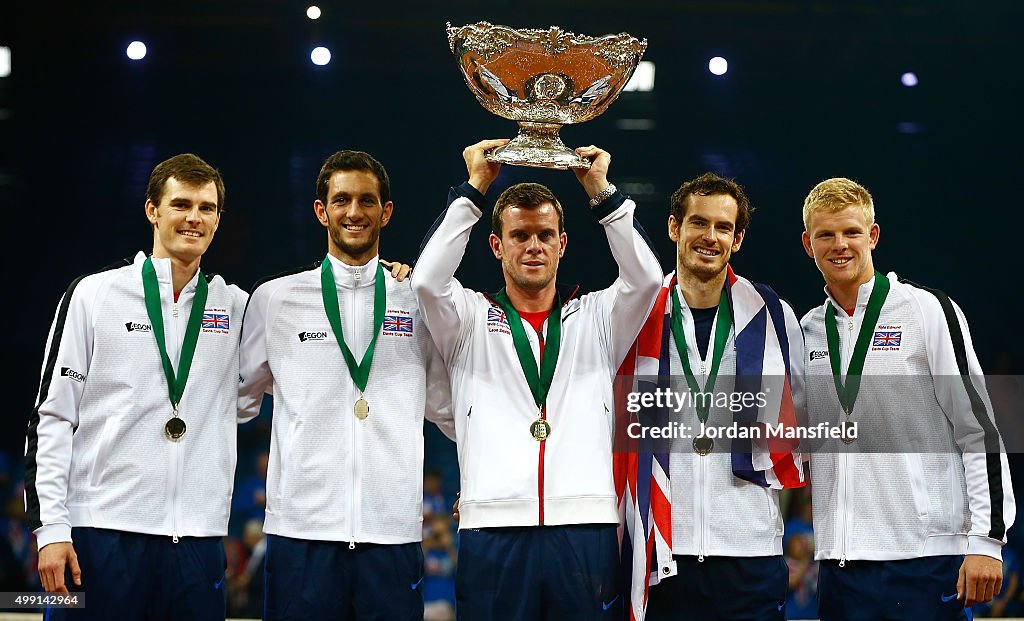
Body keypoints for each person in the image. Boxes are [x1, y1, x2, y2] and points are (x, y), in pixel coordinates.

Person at [411, 139, 663, 620]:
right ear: (496, 244)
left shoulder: (598, 317)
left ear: (562, 244)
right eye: (520, 234)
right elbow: (426, 281)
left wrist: (601, 193)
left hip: (584, 525)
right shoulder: (466, 317)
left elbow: (647, 280)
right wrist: (475, 188)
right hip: (493, 527)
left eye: (545, 235)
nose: (533, 246)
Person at [24, 153, 247, 620]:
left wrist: (385, 280)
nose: (194, 218)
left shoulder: (238, 307)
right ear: (152, 210)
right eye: (181, 204)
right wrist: (51, 529)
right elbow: (53, 416)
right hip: (99, 533)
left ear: (218, 219)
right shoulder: (94, 294)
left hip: (197, 540)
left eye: (207, 208)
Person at [238, 149, 454, 620]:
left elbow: (453, 410)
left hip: (393, 534)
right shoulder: (275, 299)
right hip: (300, 534)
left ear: (386, 211)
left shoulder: (416, 300)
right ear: (321, 211)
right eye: (341, 200)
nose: (354, 212)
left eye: (367, 200)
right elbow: (234, 399)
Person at [800, 177, 1016, 619]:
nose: (839, 245)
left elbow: (979, 428)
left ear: (873, 236)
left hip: (926, 559)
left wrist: (987, 541)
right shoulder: (807, 330)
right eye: (826, 234)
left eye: (851, 232)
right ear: (808, 244)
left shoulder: (927, 310)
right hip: (840, 565)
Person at [618, 173, 806, 620]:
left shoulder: (772, 314)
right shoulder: (633, 313)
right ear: (673, 228)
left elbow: (801, 418)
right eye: (699, 223)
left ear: (738, 238)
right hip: (661, 552)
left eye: (724, 227)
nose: (710, 236)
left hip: (750, 551)